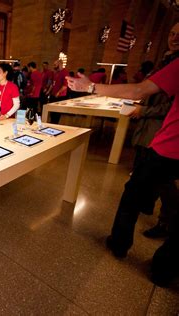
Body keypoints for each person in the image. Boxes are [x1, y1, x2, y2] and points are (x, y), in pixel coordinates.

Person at [66, 58, 179, 288]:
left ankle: (120, 244)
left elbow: (139, 90)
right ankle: (164, 270)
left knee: (133, 195)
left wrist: (90, 87)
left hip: (169, 147)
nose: (175, 36)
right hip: (168, 147)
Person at [131, 22, 179, 239]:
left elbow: (169, 105)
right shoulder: (166, 60)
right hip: (151, 127)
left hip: (165, 133)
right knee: (144, 171)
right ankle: (146, 205)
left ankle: (166, 222)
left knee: (164, 182)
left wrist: (145, 110)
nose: (174, 37)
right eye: (172, 32)